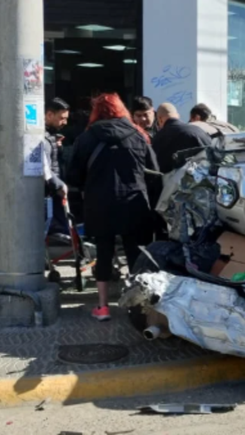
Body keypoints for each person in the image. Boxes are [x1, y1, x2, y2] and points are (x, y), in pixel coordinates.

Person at [67, 93, 159, 321]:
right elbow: (155, 173)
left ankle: (103, 307)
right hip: (134, 202)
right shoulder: (139, 136)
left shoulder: (86, 138)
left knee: (104, 252)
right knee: (136, 254)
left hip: (99, 204)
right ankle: (140, 306)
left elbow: (73, 177)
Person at [153, 103, 211, 174]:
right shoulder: (197, 130)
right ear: (177, 116)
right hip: (204, 179)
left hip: (172, 183)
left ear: (160, 119)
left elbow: (156, 166)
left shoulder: (158, 138)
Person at [42, 98, 70, 235]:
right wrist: (58, 184)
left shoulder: (50, 135)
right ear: (49, 115)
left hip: (52, 189)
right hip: (48, 190)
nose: (65, 122)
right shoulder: (43, 137)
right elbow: (45, 167)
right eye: (62, 118)